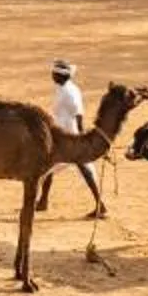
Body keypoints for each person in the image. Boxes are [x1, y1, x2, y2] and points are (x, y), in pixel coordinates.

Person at [34, 60, 105, 219]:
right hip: (61, 135)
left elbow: (78, 113)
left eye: (54, 73)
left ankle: (101, 205)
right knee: (48, 167)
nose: (52, 75)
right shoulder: (63, 88)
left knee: (82, 168)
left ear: (60, 76)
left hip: (69, 136)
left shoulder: (69, 92)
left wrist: (80, 136)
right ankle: (43, 201)